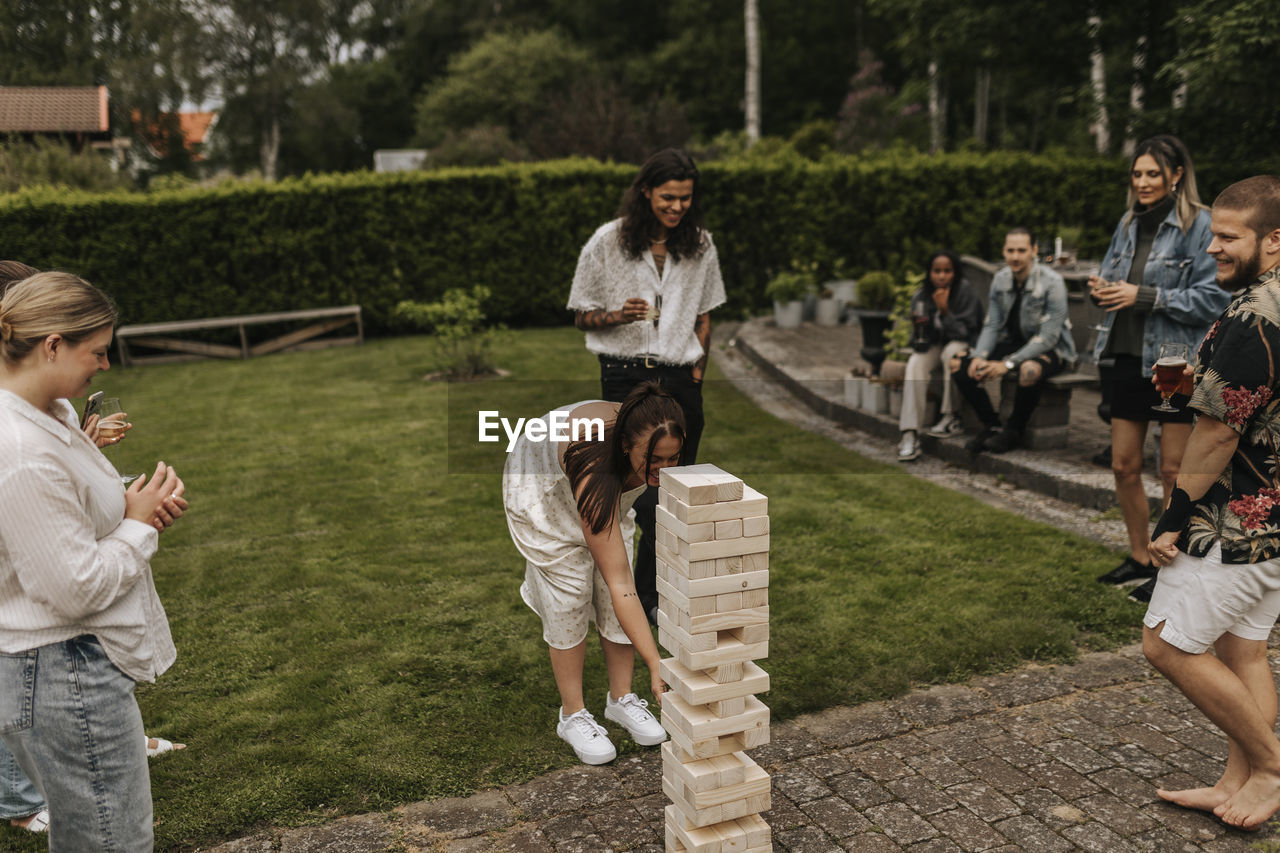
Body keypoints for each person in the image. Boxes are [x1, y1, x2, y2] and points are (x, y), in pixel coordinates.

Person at [0, 271, 188, 849]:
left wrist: (136, 506)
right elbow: (75, 588)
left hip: (69, 669)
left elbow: (65, 517)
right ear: (52, 344)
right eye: (98, 352)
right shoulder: (22, 450)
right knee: (112, 841)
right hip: (64, 673)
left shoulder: (50, 414)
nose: (105, 367)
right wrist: (136, 523)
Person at [1144, 175, 1280, 830]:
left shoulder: (1254, 317)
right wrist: (1199, 380)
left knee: (1165, 644)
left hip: (1235, 522)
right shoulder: (1267, 305)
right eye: (1213, 234)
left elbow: (1220, 430)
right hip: (1275, 522)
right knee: (1242, 649)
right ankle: (1240, 780)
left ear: (1274, 240)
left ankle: (1273, 766)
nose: (1214, 249)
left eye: (1229, 237)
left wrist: (1172, 515)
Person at [567, 149, 726, 624]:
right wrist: (618, 315)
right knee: (620, 490)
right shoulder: (608, 242)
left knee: (668, 493)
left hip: (680, 379)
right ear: (645, 192)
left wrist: (696, 374)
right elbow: (580, 313)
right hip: (624, 374)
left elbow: (704, 314)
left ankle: (649, 598)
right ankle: (612, 598)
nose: (677, 207)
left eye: (685, 198)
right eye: (668, 197)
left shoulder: (701, 245)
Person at [503, 382, 678, 765]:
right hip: (545, 487)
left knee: (611, 582)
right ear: (626, 446)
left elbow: (617, 583)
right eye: (654, 460)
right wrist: (656, 663)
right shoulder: (595, 459)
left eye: (672, 458)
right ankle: (572, 714)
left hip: (600, 491)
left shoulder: (647, 441)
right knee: (570, 592)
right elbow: (625, 588)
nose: (662, 470)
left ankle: (620, 699)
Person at [1089, 137, 1228, 598]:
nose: (1143, 182)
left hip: (1174, 363)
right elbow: (1113, 276)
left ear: (1176, 175)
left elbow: (1213, 298)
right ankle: (1138, 555)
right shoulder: (1128, 222)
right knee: (1123, 466)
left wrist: (1141, 296)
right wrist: (1102, 289)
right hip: (1127, 356)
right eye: (1137, 174)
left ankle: (1167, 570)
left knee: (1172, 470)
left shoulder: (1201, 224)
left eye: (1152, 173)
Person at [951, 227, 1077, 454]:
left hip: (1053, 349)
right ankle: (992, 424)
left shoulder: (1053, 282)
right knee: (960, 364)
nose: (1015, 256)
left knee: (1028, 370)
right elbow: (992, 325)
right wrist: (980, 356)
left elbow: (1047, 338)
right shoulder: (1000, 279)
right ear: (1004, 251)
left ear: (1034, 251)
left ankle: (1013, 430)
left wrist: (1007, 364)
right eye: (1010, 250)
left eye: (1021, 250)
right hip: (1016, 344)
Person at [897, 250, 983, 461]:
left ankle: (950, 417)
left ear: (955, 272)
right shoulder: (921, 296)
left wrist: (945, 311)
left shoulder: (964, 292)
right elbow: (917, 342)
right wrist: (920, 332)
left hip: (963, 344)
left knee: (951, 352)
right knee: (915, 363)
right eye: (937, 271)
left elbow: (966, 332)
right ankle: (909, 433)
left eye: (947, 271)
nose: (942, 276)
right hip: (935, 346)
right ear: (929, 273)